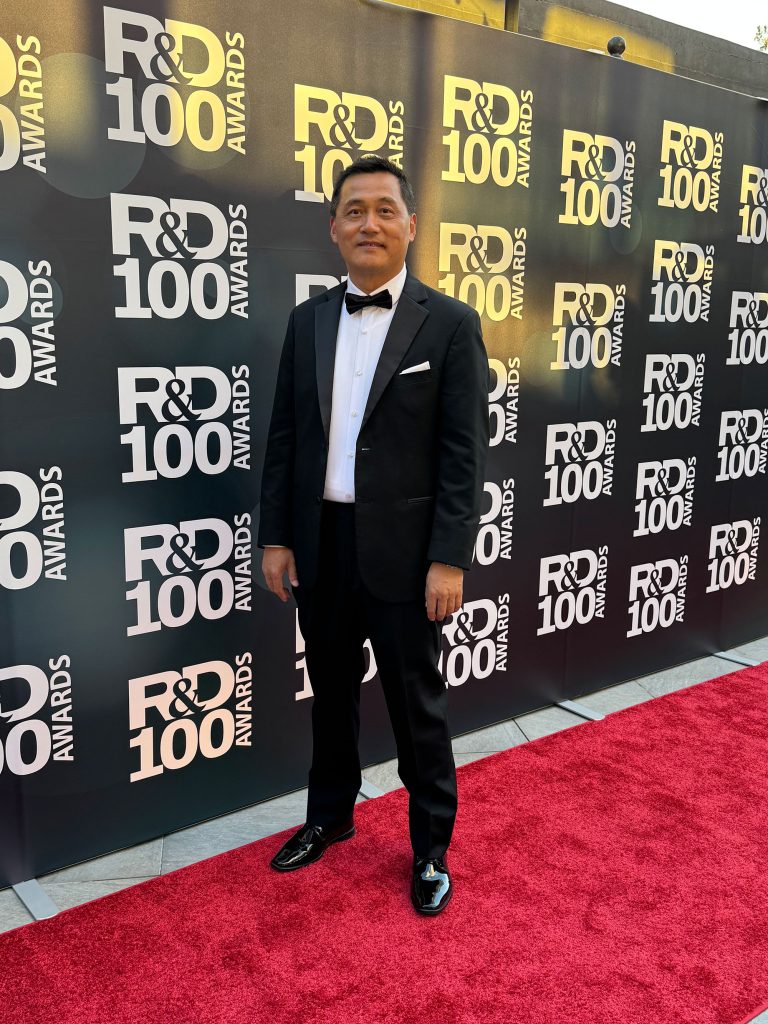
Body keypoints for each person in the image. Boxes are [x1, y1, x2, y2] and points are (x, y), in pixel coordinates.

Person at [259, 155, 489, 915]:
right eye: (353, 210)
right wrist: (278, 538)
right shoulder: (308, 320)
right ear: (333, 228)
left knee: (415, 705)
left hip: (406, 554)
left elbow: (463, 454)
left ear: (411, 226)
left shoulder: (450, 323)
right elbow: (285, 437)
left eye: (384, 210)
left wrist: (449, 557)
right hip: (321, 544)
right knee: (329, 695)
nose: (369, 223)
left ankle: (430, 846)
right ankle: (329, 816)